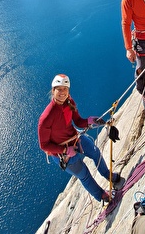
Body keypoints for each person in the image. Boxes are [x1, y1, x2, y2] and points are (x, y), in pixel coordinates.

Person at [38, 74, 124, 203]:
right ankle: (102, 195)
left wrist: (89, 121)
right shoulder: (46, 117)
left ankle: (108, 175)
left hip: (75, 139)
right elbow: (44, 145)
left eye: (65, 89)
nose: (62, 92)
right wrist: (65, 150)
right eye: (59, 89)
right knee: (84, 175)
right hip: (62, 153)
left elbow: (78, 121)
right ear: (53, 90)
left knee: (96, 153)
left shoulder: (70, 102)